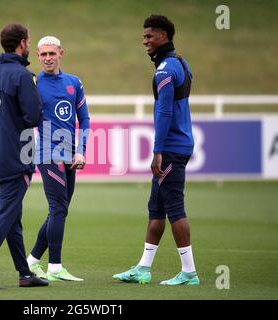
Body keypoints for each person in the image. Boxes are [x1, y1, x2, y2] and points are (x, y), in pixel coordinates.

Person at [113, 15, 200, 286]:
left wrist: (157, 150)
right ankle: (143, 267)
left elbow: (164, 111)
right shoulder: (181, 64)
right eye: (144, 36)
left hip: (171, 148)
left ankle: (189, 272)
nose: (145, 41)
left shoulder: (164, 69)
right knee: (156, 209)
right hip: (180, 142)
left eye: (149, 36)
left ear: (163, 36)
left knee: (174, 208)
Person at [0, 23, 48, 289]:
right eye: (29, 42)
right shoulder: (23, 77)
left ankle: (24, 274)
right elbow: (35, 116)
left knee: (12, 216)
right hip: (18, 157)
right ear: (23, 43)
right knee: (5, 215)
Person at [26, 36, 90, 281]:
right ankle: (54, 267)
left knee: (59, 211)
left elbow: (84, 118)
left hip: (70, 153)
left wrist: (81, 149)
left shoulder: (74, 82)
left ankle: (31, 261)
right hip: (46, 153)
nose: (48, 58)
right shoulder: (32, 83)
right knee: (58, 209)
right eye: (43, 54)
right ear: (38, 56)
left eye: (52, 53)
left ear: (61, 53)